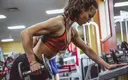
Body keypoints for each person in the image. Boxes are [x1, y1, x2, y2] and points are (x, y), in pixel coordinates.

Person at [10, 0, 128, 80]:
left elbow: (87, 49)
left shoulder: (72, 32)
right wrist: (32, 62)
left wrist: (107, 65)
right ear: (81, 9)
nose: (89, 20)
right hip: (26, 64)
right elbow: (25, 33)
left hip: (42, 66)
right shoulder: (58, 23)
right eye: (89, 16)